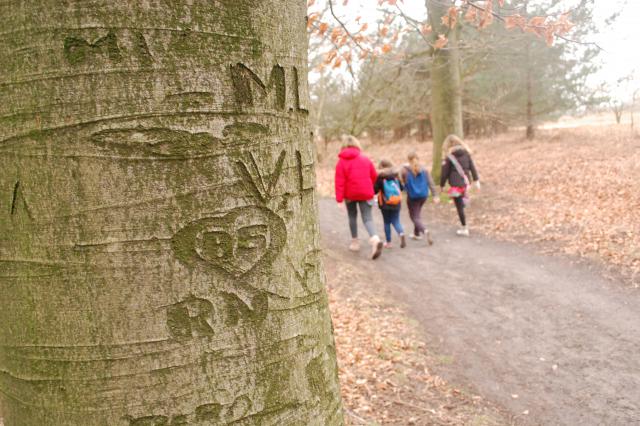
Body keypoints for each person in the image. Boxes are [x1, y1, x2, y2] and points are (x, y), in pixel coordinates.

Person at [334, 136, 384, 259]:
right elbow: (374, 176)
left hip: (350, 194)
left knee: (352, 216)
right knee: (367, 218)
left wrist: (339, 199)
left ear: (343, 146)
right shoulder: (365, 159)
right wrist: (368, 186)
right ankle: (375, 239)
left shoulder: (341, 162)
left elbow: (339, 181)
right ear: (357, 145)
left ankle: (355, 243)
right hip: (366, 192)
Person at [439, 134, 481, 236]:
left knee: (459, 207)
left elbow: (444, 173)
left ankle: (464, 228)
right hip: (466, 184)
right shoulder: (466, 153)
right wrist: (476, 180)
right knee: (462, 202)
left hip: (455, 186)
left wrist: (442, 185)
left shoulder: (449, 157)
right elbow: (472, 167)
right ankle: (465, 204)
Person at [401, 152, 438, 245]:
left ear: (408, 160)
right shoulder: (424, 170)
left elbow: (402, 183)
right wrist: (435, 195)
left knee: (414, 216)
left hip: (412, 197)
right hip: (423, 196)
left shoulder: (405, 171)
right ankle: (416, 234)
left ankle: (424, 230)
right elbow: (431, 183)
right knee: (417, 214)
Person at [374, 159, 406, 249]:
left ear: (381, 167)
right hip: (396, 202)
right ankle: (401, 233)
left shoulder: (380, 177)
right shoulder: (396, 175)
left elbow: (375, 190)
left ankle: (388, 242)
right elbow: (402, 188)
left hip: (385, 204)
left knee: (387, 222)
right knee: (396, 220)